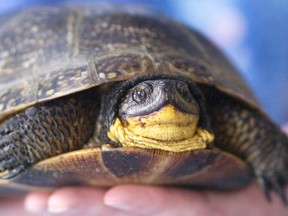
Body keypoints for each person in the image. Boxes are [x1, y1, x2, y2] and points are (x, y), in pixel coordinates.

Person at [1, 124, 287, 216]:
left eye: (183, 94)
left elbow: (252, 126)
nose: (166, 97)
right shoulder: (75, 120)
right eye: (142, 95)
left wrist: (271, 153)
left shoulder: (218, 123)